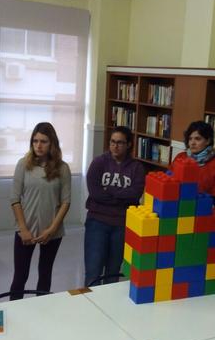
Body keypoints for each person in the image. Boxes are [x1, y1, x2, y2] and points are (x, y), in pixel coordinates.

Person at [10, 122, 71, 298]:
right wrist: (23, 229)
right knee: (20, 275)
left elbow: (66, 202)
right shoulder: (23, 164)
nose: (38, 145)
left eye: (43, 141)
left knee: (45, 274)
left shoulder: (62, 168)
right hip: (25, 230)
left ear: (52, 143)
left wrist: (52, 230)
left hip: (52, 231)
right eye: (35, 141)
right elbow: (15, 198)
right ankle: (14, 310)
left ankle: (42, 312)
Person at [84, 126, 145, 286]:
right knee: (93, 271)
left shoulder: (137, 168)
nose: (115, 146)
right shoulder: (98, 163)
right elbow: (95, 193)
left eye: (120, 142)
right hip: (97, 222)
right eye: (112, 142)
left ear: (129, 145)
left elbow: (135, 194)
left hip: (122, 224)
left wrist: (109, 191)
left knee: (113, 272)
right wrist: (121, 195)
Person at [170, 120, 215, 207]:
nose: (192, 143)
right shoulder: (180, 157)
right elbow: (169, 180)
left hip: (201, 209)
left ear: (208, 141)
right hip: (175, 204)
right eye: (190, 139)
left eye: (197, 139)